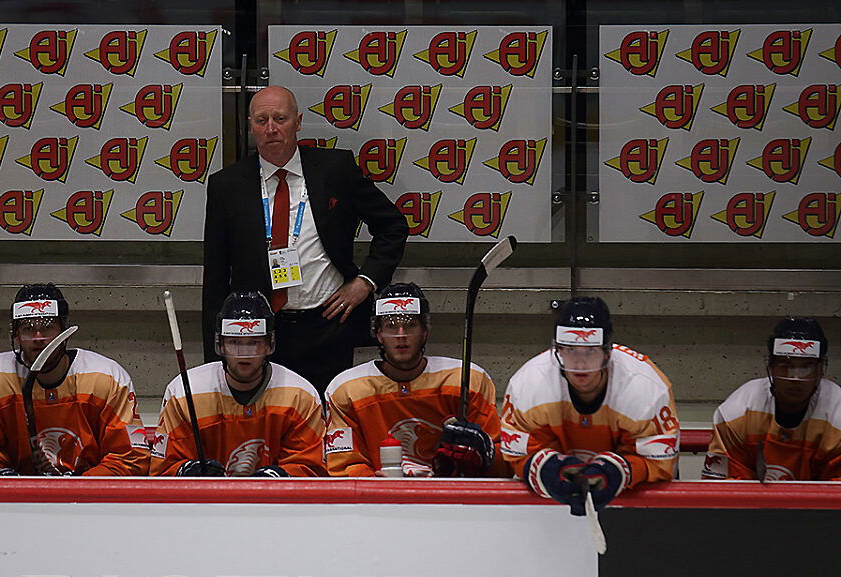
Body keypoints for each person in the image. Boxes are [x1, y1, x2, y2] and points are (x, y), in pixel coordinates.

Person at [201, 85, 409, 397]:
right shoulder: (226, 185)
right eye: (261, 120)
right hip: (257, 330)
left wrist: (365, 281)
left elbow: (392, 226)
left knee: (329, 417)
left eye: (280, 119)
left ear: (298, 122)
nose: (271, 128)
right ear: (249, 126)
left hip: (327, 324)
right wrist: (214, 358)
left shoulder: (335, 170)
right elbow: (216, 275)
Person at [500, 296, 679, 514]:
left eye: (590, 351)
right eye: (571, 350)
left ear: (607, 352)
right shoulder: (528, 385)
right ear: (558, 350)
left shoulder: (646, 388)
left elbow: (658, 462)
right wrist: (547, 469)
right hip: (553, 507)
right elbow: (517, 453)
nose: (580, 363)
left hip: (634, 506)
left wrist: (619, 471)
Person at [0, 284, 148, 476]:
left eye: (47, 327)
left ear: (64, 331)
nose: (38, 338)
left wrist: (82, 485)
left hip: (89, 502)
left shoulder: (106, 377)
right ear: (16, 335)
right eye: (28, 328)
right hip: (16, 500)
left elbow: (129, 457)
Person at [324, 283, 505, 477]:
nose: (401, 335)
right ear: (378, 334)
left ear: (425, 331)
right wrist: (374, 486)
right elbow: (344, 465)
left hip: (451, 498)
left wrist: (485, 457)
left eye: (410, 325)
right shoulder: (346, 388)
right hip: (379, 502)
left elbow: (503, 463)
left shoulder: (468, 379)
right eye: (391, 326)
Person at [151, 291, 324, 476]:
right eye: (235, 342)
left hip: (274, 504)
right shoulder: (184, 393)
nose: (244, 353)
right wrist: (185, 471)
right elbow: (162, 467)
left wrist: (282, 477)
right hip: (204, 503)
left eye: (254, 342)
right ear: (221, 345)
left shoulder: (300, 395)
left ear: (268, 345)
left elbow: (311, 468)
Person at [703, 317, 841, 481]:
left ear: (820, 371)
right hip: (752, 505)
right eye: (785, 366)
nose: (795, 377)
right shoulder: (738, 411)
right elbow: (723, 489)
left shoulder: (837, 415)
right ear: (771, 367)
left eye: (807, 366)